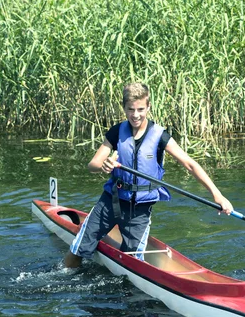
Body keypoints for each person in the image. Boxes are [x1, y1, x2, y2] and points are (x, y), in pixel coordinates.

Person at [64, 82, 233, 268]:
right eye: (130, 109)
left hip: (140, 209)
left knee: (133, 262)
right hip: (110, 201)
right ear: (124, 108)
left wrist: (218, 195)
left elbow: (190, 164)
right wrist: (104, 165)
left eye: (140, 109)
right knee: (78, 248)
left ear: (149, 107)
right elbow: (92, 165)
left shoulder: (160, 136)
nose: (135, 115)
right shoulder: (115, 132)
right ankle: (66, 277)